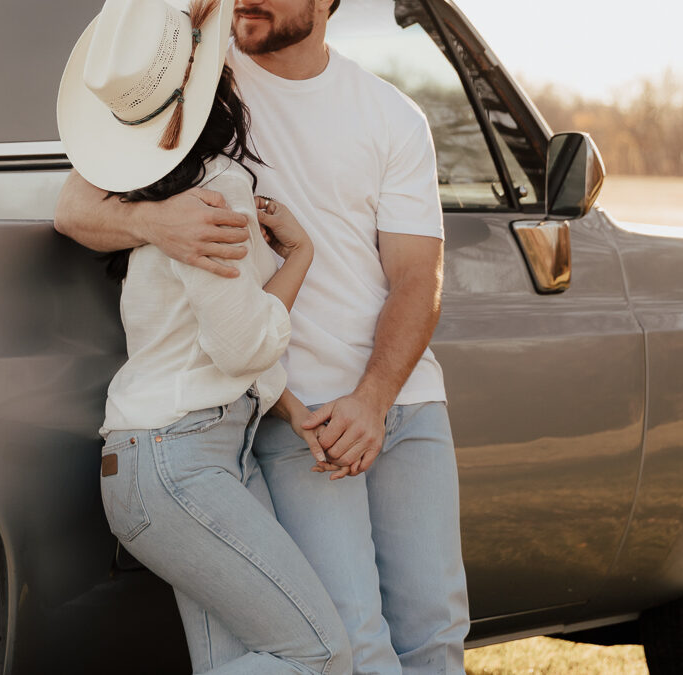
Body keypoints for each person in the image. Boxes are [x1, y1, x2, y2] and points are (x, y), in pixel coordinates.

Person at [55, 0, 470, 672]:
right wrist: (159, 224)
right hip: (296, 417)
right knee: (350, 642)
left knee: (436, 635)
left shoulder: (390, 114)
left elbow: (417, 277)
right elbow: (75, 208)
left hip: (403, 401)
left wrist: (372, 399)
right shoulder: (196, 89)